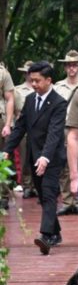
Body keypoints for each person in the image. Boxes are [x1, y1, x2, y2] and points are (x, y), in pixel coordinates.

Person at [3, 62, 67, 254]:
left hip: (52, 158)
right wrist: (7, 149)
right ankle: (56, 232)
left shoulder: (59, 103)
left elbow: (55, 133)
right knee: (42, 195)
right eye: (31, 81)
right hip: (33, 156)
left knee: (48, 194)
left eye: (38, 81)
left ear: (49, 80)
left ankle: (46, 236)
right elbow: (20, 127)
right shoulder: (30, 100)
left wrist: (45, 157)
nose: (34, 84)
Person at [54, 50, 78, 216]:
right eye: (69, 65)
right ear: (65, 67)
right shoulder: (58, 87)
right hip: (64, 128)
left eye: (75, 65)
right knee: (65, 166)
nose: (72, 68)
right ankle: (67, 201)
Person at [12, 61, 36, 199]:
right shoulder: (17, 89)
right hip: (23, 126)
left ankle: (37, 185)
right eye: (27, 72)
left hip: (39, 127)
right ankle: (27, 185)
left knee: (38, 156)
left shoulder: (40, 86)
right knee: (24, 157)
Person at [0, 62, 15, 210]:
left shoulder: (3, 73)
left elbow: (10, 98)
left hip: (1, 119)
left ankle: (3, 196)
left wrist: (8, 124)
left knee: (2, 158)